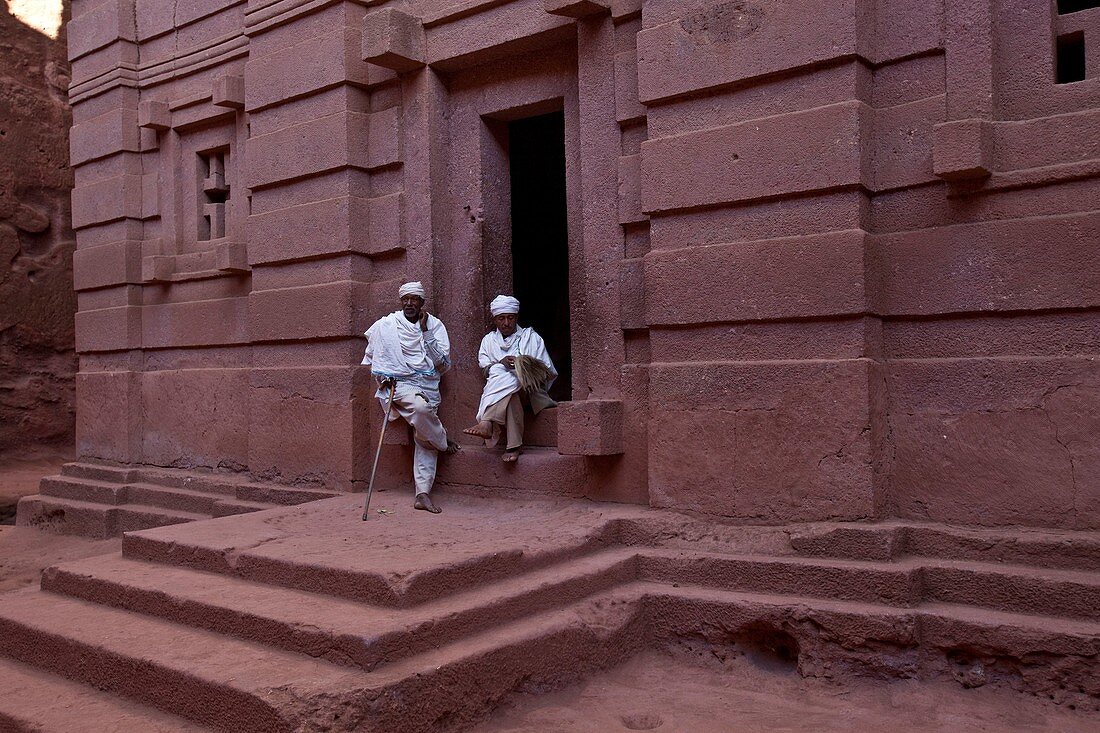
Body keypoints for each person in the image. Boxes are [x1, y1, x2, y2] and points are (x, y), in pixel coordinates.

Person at [361, 281, 458, 513]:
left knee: (424, 438)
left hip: (429, 384)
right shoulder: (388, 325)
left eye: (414, 299)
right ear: (401, 301)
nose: (409, 303)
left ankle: (422, 493)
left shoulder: (435, 326)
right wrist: (382, 377)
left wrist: (425, 333)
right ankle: (442, 441)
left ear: (422, 302)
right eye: (406, 299)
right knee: (420, 409)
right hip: (401, 383)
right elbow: (376, 356)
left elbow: (442, 365)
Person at [463, 295, 557, 462]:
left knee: (512, 379)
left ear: (516, 318)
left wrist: (522, 365)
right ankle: (514, 446)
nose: (506, 323)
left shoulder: (531, 337)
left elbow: (546, 373)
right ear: (495, 320)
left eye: (510, 318)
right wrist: (501, 363)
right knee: (508, 386)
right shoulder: (488, 341)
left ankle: (487, 421)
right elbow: (485, 371)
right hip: (509, 393)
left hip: (530, 391)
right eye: (501, 318)